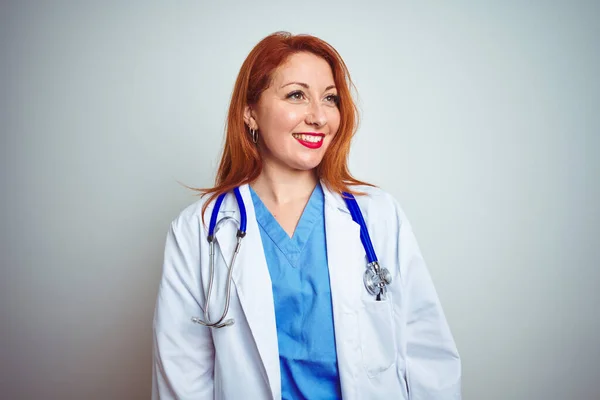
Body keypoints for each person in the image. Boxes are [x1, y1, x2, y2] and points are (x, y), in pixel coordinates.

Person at [152, 31, 461, 400]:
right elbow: (182, 377)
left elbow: (428, 355)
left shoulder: (377, 216)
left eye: (329, 99)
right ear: (250, 112)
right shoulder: (199, 230)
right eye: (297, 95)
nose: (318, 117)